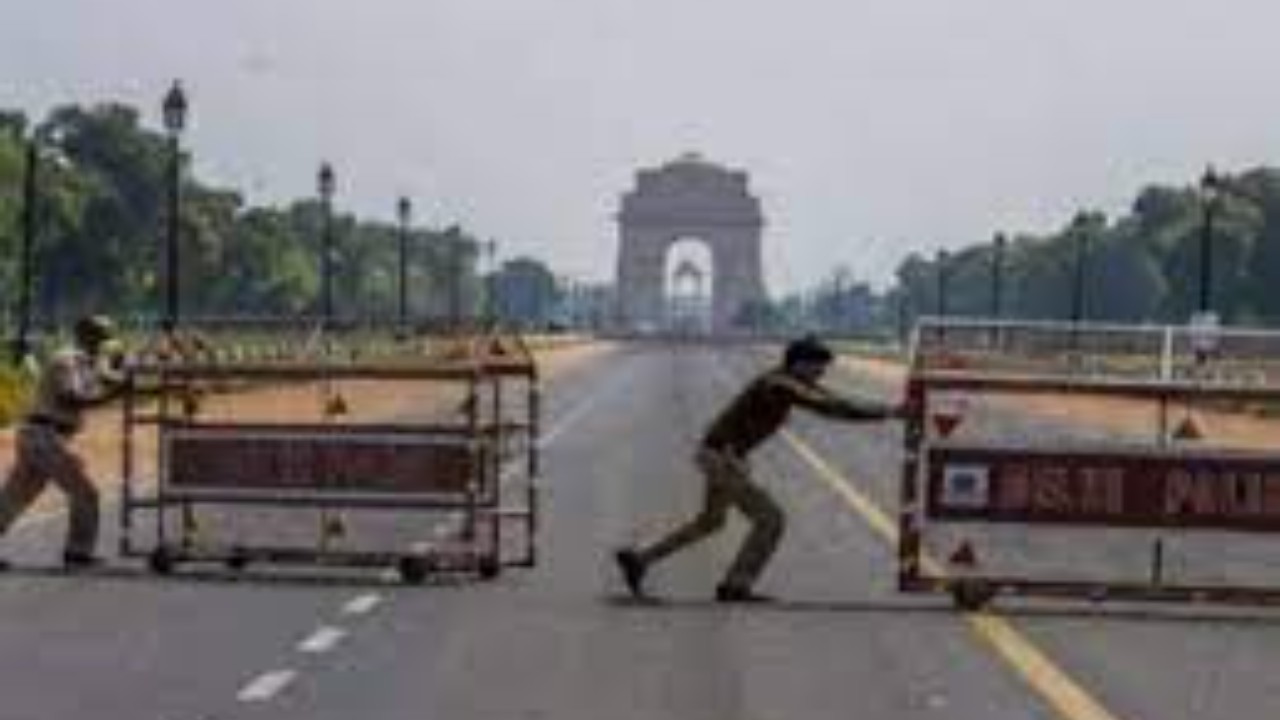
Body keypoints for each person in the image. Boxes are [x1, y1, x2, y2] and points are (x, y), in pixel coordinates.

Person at [615, 336, 901, 603]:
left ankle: (640, 559)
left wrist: (886, 410)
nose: (821, 375)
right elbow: (830, 407)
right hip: (722, 458)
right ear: (799, 363)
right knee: (771, 519)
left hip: (720, 455)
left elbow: (836, 401)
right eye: (817, 368)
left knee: (710, 522)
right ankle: (736, 585)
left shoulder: (788, 382)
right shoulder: (779, 384)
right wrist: (888, 412)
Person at [0, 315, 126, 570]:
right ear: (86, 336)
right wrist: (113, 394)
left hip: (45, 435)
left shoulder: (89, 363)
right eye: (103, 336)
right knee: (85, 492)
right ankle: (78, 552)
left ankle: (78, 551)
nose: (107, 342)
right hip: (44, 434)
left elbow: (115, 381)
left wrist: (132, 384)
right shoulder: (67, 360)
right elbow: (72, 398)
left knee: (16, 496)